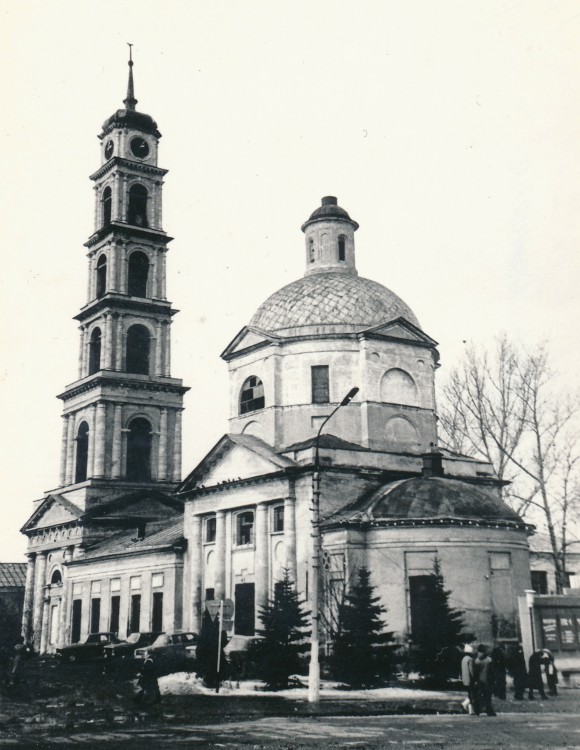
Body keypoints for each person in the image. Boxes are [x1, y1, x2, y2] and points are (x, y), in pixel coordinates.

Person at [473, 644, 497, 716]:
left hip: (480, 680)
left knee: (478, 695)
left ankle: (477, 710)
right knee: (488, 696)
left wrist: (475, 680)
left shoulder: (477, 660)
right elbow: (492, 671)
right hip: (488, 680)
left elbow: (475, 672)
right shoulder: (489, 660)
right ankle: (489, 711)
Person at [460, 644, 476, 714]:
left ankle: (470, 710)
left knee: (470, 694)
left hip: (465, 679)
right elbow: (471, 670)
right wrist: (474, 679)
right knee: (472, 694)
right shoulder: (470, 659)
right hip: (470, 679)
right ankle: (465, 704)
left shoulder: (463, 659)